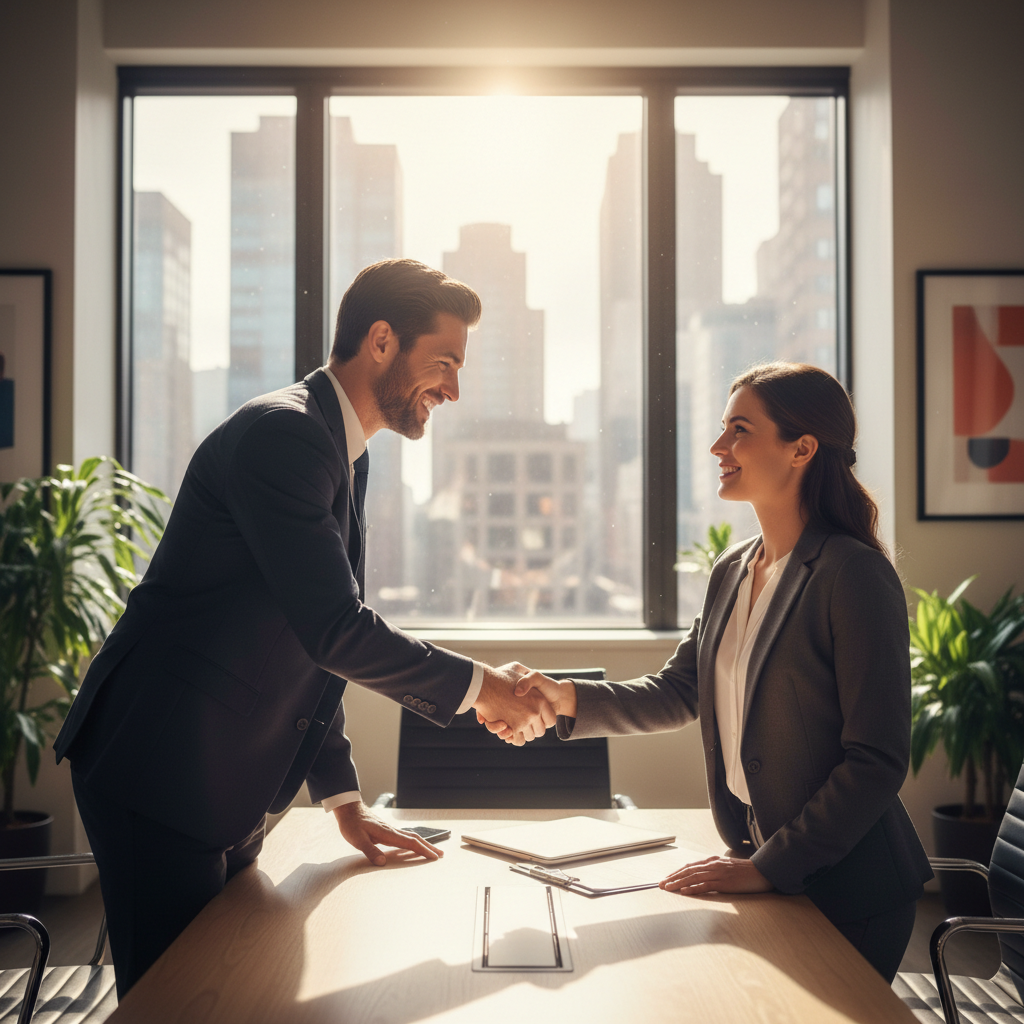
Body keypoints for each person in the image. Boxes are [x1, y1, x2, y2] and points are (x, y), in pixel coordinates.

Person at [54, 259, 555, 997]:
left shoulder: (339, 450)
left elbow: (302, 645)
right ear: (382, 341)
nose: (453, 389)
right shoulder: (284, 436)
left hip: (224, 770)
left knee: (236, 982)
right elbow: (334, 630)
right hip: (160, 764)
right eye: (445, 363)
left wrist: (343, 800)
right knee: (181, 1000)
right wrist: (483, 688)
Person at [501, 361, 932, 982]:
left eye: (740, 430)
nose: (717, 447)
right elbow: (680, 690)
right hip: (764, 863)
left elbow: (877, 759)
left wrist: (769, 866)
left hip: (847, 890)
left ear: (801, 449)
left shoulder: (853, 575)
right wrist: (563, 695)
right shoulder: (734, 568)